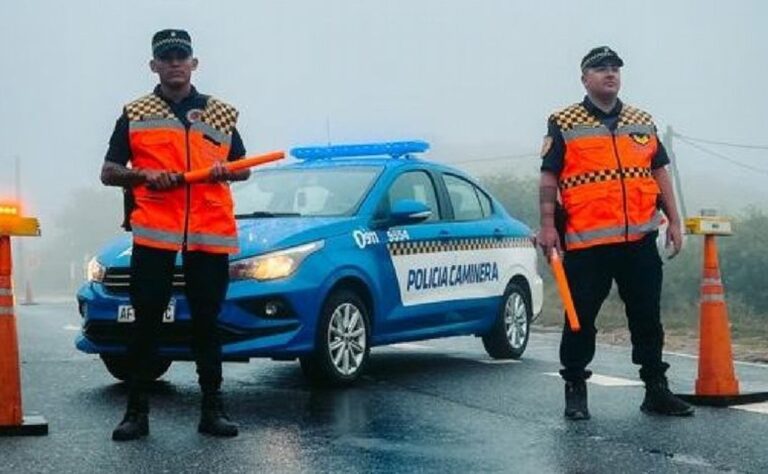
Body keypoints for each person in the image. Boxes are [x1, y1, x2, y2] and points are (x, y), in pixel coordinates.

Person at [100, 29, 250, 441]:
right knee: (146, 323)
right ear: (154, 65)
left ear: (193, 62)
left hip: (208, 233)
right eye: (166, 57)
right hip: (155, 235)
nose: (174, 63)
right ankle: (136, 413)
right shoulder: (135, 111)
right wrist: (144, 174)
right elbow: (109, 171)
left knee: (207, 322)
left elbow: (244, 166)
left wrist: (226, 170)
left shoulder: (220, 113)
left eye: (181, 55)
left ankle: (212, 410)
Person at [537, 46, 694, 420]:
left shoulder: (641, 120)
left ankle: (656, 389)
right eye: (601, 69)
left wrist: (675, 220)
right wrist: (546, 226)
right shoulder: (564, 121)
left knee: (646, 318)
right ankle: (575, 388)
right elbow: (548, 176)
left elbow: (660, 173)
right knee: (580, 320)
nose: (610, 74)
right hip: (587, 243)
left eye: (615, 69)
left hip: (638, 242)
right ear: (584, 78)